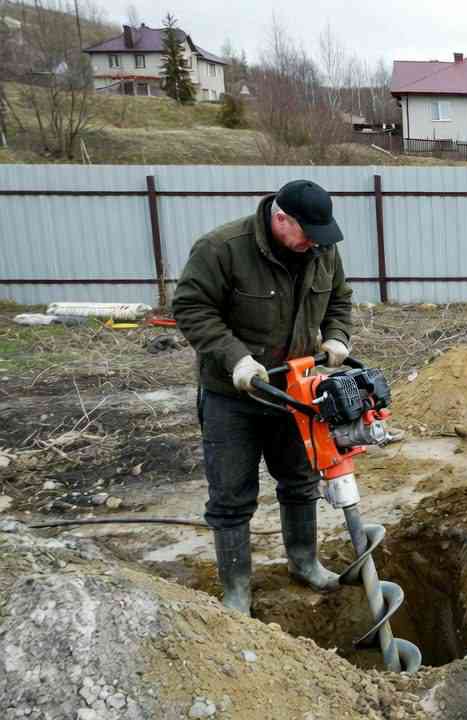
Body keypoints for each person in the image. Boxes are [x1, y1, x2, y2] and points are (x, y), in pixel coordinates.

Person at [173, 179, 354, 614]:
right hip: (232, 396)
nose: (314, 243)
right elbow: (191, 308)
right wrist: (236, 358)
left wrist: (336, 336)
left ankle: (304, 562)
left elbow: (339, 299)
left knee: (300, 481)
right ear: (280, 219)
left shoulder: (321, 249)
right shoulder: (222, 248)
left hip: (295, 391)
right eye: (307, 233)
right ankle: (237, 588)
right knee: (231, 495)